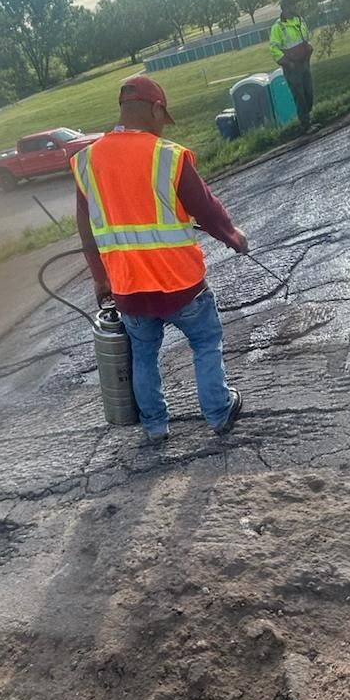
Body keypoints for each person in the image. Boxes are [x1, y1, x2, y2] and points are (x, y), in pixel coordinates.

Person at [73, 74, 248, 442]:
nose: (161, 126)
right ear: (155, 109)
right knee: (204, 343)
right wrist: (234, 237)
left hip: (128, 288)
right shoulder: (167, 156)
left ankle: (155, 426)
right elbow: (206, 209)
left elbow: (86, 229)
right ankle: (218, 412)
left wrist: (100, 278)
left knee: (143, 355)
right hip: (180, 284)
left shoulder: (87, 161)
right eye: (161, 117)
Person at [269, 0, 314, 131]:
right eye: (292, 5)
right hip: (292, 67)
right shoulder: (278, 27)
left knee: (309, 93)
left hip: (304, 62)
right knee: (299, 95)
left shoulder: (299, 20)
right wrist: (287, 63)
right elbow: (274, 49)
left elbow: (305, 39)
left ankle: (307, 118)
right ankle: (306, 125)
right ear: (285, 8)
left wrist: (308, 52)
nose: (295, 7)